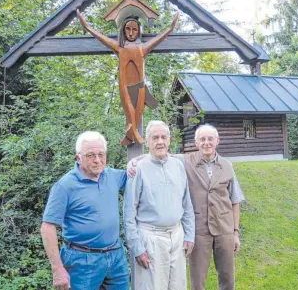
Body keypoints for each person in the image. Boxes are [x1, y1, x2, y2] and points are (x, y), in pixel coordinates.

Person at [128, 124, 245, 290]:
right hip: (200, 230)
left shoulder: (228, 166)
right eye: (202, 139)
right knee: (197, 281)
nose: (206, 143)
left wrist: (235, 232)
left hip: (224, 229)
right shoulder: (186, 160)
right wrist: (135, 161)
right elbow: (161, 153)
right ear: (196, 143)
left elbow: (235, 200)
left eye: (210, 139)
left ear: (217, 141)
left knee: (227, 278)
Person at [41, 131, 129, 290]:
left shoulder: (112, 176)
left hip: (116, 256)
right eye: (90, 155)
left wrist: (139, 160)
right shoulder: (64, 186)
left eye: (101, 154)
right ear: (78, 158)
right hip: (81, 261)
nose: (97, 160)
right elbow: (47, 228)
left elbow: (138, 174)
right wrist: (57, 269)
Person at [76, 8, 178, 145]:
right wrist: (86, 26)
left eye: (134, 30)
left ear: (139, 31)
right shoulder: (120, 48)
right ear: (123, 30)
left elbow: (159, 38)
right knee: (130, 113)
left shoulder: (142, 48)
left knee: (137, 114)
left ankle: (131, 134)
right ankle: (132, 133)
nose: (130, 33)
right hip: (125, 87)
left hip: (140, 87)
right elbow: (101, 37)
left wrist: (171, 28)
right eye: (128, 29)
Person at [124, 120, 195, 290]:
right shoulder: (138, 169)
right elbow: (129, 213)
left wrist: (190, 235)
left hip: (176, 236)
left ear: (169, 140)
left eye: (164, 137)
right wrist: (137, 248)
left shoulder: (178, 165)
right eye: (155, 137)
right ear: (147, 142)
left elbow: (187, 205)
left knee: (178, 286)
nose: (160, 141)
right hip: (150, 239)